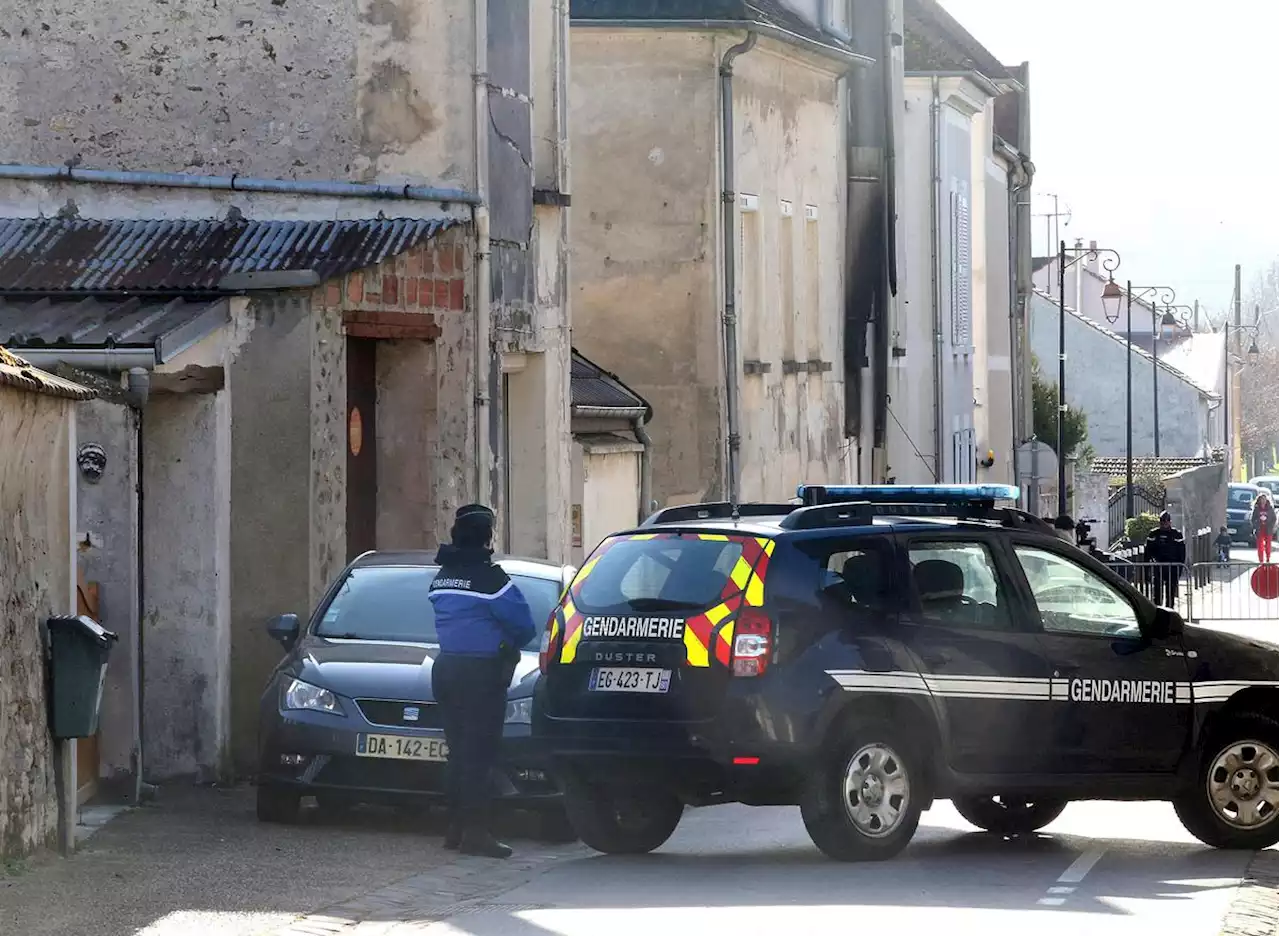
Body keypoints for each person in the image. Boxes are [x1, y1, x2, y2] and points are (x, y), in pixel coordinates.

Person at [428, 504, 537, 859]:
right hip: (480, 674)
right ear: (486, 535)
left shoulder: (443, 575)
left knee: (458, 752)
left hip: (446, 669)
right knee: (480, 754)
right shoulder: (490, 578)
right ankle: (477, 833)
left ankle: (456, 829)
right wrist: (506, 645)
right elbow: (524, 625)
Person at [1143, 511, 1186, 607]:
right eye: (1162, 521)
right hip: (1158, 567)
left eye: (1166, 521)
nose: (1164, 524)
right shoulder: (1154, 534)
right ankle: (1158, 613)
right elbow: (1147, 552)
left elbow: (1182, 553)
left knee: (1170, 593)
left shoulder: (1176, 534)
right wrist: (1147, 570)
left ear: (1170, 522)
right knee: (1157, 593)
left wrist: (1179, 570)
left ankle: (1169, 614)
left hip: (1172, 567)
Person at [1251, 492, 1277, 564]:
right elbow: (1252, 519)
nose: (1263, 501)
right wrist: (1258, 521)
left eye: (1264, 499)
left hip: (1268, 529)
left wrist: (1269, 522)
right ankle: (1261, 560)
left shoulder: (1270, 508)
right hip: (1260, 529)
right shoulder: (1256, 508)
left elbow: (1274, 518)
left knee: (1268, 545)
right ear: (1259, 500)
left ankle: (1268, 558)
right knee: (1260, 545)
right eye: (1261, 499)